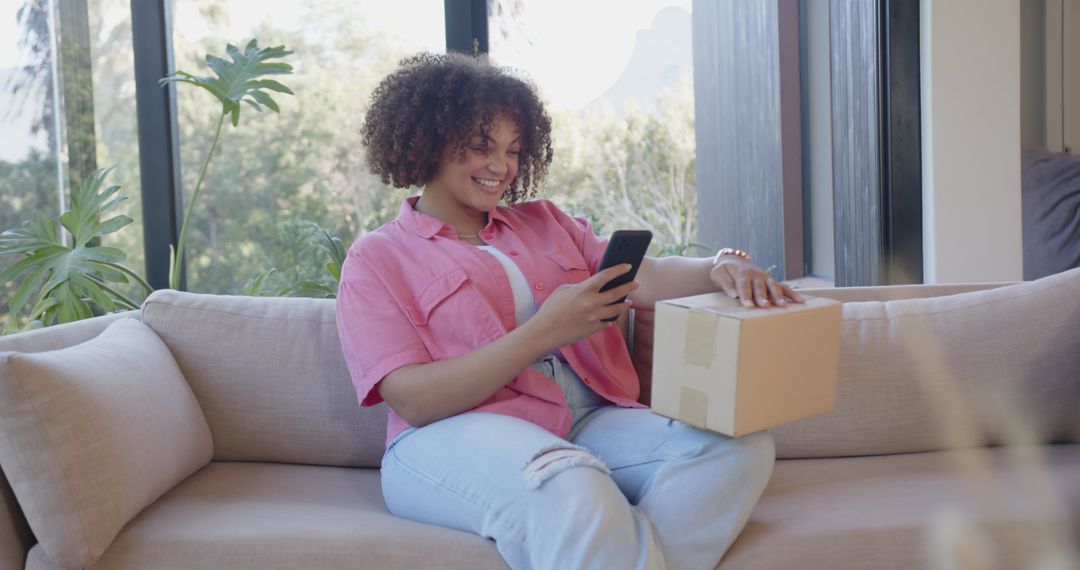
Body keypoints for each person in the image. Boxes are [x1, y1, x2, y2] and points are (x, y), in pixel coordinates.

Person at [336, 52, 804, 570]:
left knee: (736, 448)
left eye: (514, 150)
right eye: (480, 146)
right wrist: (543, 331)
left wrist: (718, 266)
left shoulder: (545, 222)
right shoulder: (377, 258)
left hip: (586, 422)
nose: (501, 166)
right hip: (447, 437)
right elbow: (415, 401)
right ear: (429, 141)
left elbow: (642, 276)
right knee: (572, 480)